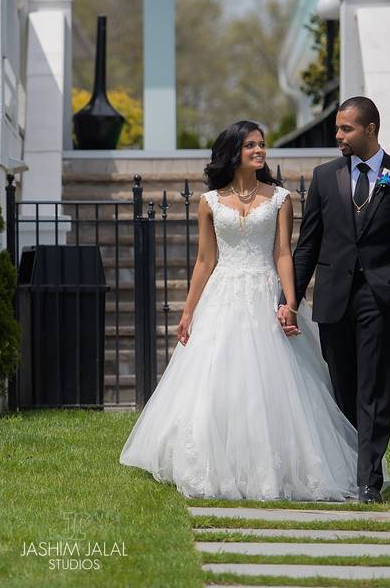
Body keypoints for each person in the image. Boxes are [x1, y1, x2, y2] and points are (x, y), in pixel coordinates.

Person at [119, 120, 360, 501]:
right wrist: (187, 312)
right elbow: (204, 260)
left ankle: (277, 468)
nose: (259, 150)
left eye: (261, 144)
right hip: (223, 294)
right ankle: (211, 463)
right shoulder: (210, 202)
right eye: (250, 145)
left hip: (264, 292)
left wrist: (290, 303)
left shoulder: (281, 198)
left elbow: (284, 254)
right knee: (216, 380)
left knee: (273, 384)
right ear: (234, 152)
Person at [279, 96, 390, 504]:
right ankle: (346, 468)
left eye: (346, 129)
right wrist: (292, 299)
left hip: (380, 299)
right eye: (337, 128)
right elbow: (307, 248)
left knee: (373, 390)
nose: (338, 136)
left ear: (370, 129)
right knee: (343, 389)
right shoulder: (324, 178)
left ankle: (368, 480)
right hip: (333, 301)